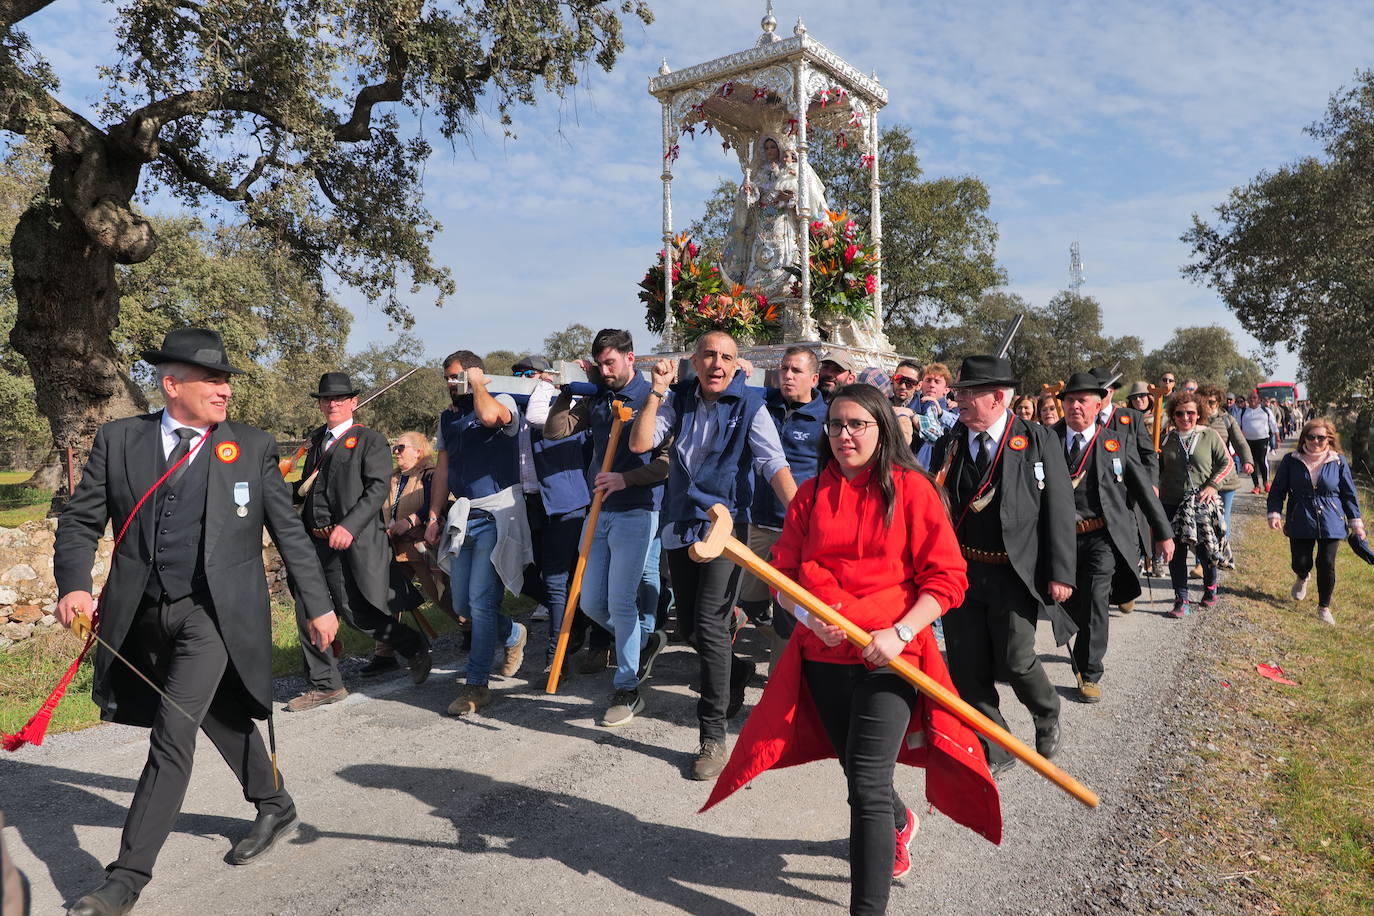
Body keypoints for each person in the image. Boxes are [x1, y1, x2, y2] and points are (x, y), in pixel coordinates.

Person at [53, 328, 339, 915]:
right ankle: (274, 802)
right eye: (213, 378)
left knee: (172, 733)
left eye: (228, 379)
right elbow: (80, 522)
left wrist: (317, 603)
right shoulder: (119, 440)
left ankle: (124, 881)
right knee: (212, 710)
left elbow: (288, 534)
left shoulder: (250, 446)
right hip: (141, 612)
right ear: (172, 384)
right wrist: (75, 585)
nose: (225, 389)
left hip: (214, 614)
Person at [702, 383, 1000, 914]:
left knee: (864, 783)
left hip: (893, 657)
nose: (844, 435)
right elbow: (783, 578)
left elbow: (948, 579)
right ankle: (897, 818)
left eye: (857, 424)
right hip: (823, 658)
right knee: (858, 771)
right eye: (836, 424)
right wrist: (807, 616)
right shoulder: (812, 495)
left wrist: (901, 633)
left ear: (882, 428)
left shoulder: (912, 490)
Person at [629, 330, 797, 780]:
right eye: (709, 355)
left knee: (708, 622)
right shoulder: (676, 398)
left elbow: (772, 463)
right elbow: (639, 444)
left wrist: (801, 517)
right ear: (695, 361)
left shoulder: (750, 406)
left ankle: (712, 735)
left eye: (726, 356)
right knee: (688, 629)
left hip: (726, 527)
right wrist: (656, 390)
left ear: (736, 364)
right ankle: (736, 671)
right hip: (681, 523)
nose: (717, 363)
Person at [929, 355, 1076, 775]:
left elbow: (1059, 507)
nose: (958, 401)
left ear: (996, 397)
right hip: (961, 572)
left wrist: (1061, 571)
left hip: (1015, 572)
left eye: (967, 394)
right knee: (966, 666)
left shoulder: (1035, 439)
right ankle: (998, 746)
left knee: (1016, 659)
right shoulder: (952, 441)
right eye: (957, 393)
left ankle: (1046, 712)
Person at [544, 329, 671, 726]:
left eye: (611, 363)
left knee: (620, 601)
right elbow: (554, 431)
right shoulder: (597, 394)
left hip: (637, 511)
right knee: (590, 603)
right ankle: (642, 642)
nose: (605, 370)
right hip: (597, 512)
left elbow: (666, 463)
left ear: (631, 358)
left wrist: (625, 480)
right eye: (599, 364)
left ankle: (628, 688)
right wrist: (566, 391)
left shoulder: (653, 395)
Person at [287, 373, 432, 711]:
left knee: (356, 612)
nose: (332, 403)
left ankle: (410, 644)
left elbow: (377, 488)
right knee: (307, 609)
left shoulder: (369, 440)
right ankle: (326, 683)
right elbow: (307, 490)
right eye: (326, 399)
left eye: (339, 398)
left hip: (346, 541)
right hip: (313, 542)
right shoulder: (316, 441)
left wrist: (349, 526)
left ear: (353, 402)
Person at [1053, 374, 1174, 702]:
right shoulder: (1047, 440)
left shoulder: (1115, 442)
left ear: (1097, 405)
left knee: (1095, 600)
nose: (1075, 406)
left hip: (1101, 537)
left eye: (1082, 401)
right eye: (1069, 400)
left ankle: (1089, 673)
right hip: (1059, 540)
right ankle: (1081, 644)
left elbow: (1142, 490)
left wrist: (1163, 533)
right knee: (1072, 604)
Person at [426, 351, 532, 716]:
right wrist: (432, 515)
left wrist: (477, 384)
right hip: (464, 514)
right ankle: (513, 634)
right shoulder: (448, 418)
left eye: (457, 377)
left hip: (497, 513)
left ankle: (476, 686)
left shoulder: (502, 402)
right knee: (461, 605)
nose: (451, 386)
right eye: (448, 379)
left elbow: (489, 416)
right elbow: (442, 470)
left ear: (475, 374)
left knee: (483, 603)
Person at [737, 346, 827, 672]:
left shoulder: (827, 420)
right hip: (756, 523)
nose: (788, 376)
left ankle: (780, 685)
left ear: (814, 378)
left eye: (796, 371)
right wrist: (737, 369)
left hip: (799, 531)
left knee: (787, 617)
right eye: (784, 369)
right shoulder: (762, 403)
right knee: (743, 602)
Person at [509, 355, 596, 678]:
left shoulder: (564, 407)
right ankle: (578, 617)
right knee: (522, 573)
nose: (524, 378)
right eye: (517, 374)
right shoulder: (512, 410)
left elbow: (544, 422)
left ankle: (555, 659)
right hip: (528, 504)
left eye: (530, 373)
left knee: (558, 581)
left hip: (565, 503)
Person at [364, 431, 457, 675]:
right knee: (387, 598)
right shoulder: (392, 478)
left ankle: (471, 629)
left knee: (440, 594)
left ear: (418, 450)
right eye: (394, 448)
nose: (396, 452)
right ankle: (384, 653)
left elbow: (433, 504)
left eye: (401, 447)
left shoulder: (430, 475)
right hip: (393, 549)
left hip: (420, 546)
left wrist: (410, 521)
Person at [1268, 418, 1365, 625]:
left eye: (1321, 437)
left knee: (1326, 563)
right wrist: (1274, 513)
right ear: (1304, 437)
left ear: (1328, 439)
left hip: (1332, 520)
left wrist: (1356, 523)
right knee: (1300, 561)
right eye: (1311, 437)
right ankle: (1302, 576)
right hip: (1300, 517)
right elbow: (1277, 491)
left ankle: (1324, 607)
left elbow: (1349, 495)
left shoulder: (1338, 461)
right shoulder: (1291, 460)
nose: (1315, 441)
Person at [1157, 391, 1232, 618]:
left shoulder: (1209, 435)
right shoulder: (1167, 438)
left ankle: (1210, 585)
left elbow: (1226, 464)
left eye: (1190, 413)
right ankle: (1182, 600)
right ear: (1173, 415)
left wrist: (1212, 486)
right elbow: (1157, 468)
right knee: (1175, 553)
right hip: (1171, 502)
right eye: (1179, 413)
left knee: (1204, 550)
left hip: (1201, 502)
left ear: (1198, 414)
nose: (1185, 417)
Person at [723, 134, 828, 293]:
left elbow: (801, 194)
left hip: (783, 221)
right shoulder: (758, 173)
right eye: (766, 148)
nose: (770, 151)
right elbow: (750, 199)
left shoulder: (789, 170)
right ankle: (756, 291)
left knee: (783, 253)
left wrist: (790, 197)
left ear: (779, 149)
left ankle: (787, 287)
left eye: (773, 147)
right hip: (762, 225)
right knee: (760, 255)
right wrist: (748, 193)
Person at [1200, 385, 1254, 534]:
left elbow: (1240, 442)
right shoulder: (1194, 419)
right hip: (1201, 478)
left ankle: (1222, 554)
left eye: (1211, 402)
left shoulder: (1227, 420)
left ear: (1218, 403)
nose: (1207, 405)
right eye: (1204, 401)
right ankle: (1203, 557)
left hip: (1225, 478)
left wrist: (1247, 461)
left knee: (1222, 519)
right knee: (1203, 519)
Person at [909, 362, 958, 469]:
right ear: (921, 384)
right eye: (928, 380)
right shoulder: (915, 403)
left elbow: (938, 437)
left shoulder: (953, 411)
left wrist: (913, 416)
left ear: (946, 390)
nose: (932, 385)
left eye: (937, 381)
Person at [1238, 391, 1279, 494]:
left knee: (1261, 460)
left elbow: (1273, 425)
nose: (1252, 400)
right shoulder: (1243, 412)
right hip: (1247, 441)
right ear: (1247, 400)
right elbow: (1237, 427)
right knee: (1251, 463)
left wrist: (1277, 438)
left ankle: (1266, 483)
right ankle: (1256, 486)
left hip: (1263, 440)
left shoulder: (1266, 410)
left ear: (1259, 400)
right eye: (1250, 398)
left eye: (1255, 398)